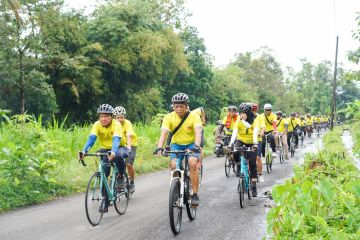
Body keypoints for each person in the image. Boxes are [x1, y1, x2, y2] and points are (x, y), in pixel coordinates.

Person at [155, 93, 202, 206]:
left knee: (192, 163)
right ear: (173, 106)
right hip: (176, 144)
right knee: (173, 165)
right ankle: (176, 187)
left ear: (186, 106)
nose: (179, 109)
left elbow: (198, 132)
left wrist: (196, 146)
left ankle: (194, 194)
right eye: (176, 106)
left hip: (191, 144)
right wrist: (159, 147)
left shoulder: (194, 116)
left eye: (181, 106)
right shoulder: (169, 117)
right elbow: (164, 133)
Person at [79, 104, 126, 213]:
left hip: (119, 147)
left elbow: (116, 140)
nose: (103, 119)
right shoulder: (97, 125)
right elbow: (92, 139)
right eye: (101, 116)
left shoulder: (116, 124)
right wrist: (84, 151)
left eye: (106, 116)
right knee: (104, 173)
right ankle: (105, 200)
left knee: (118, 156)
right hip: (105, 149)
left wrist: (114, 151)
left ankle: (120, 175)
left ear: (112, 117)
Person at [229, 103, 259, 197]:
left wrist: (255, 144)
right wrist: (231, 143)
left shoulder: (254, 121)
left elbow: (255, 133)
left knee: (253, 164)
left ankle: (254, 186)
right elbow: (234, 133)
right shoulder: (239, 121)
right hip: (241, 140)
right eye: (240, 113)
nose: (241, 115)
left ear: (248, 113)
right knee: (235, 151)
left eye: (244, 113)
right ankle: (238, 166)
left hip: (251, 142)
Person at [114, 106, 138, 193]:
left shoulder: (127, 123)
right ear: (114, 117)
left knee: (128, 164)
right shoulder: (113, 124)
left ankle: (131, 182)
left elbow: (128, 135)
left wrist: (128, 148)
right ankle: (119, 176)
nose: (120, 119)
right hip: (119, 145)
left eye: (121, 117)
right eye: (118, 117)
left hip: (131, 144)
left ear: (124, 117)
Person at [252, 103, 265, 183]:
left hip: (257, 139)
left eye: (254, 109)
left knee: (257, 158)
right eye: (251, 109)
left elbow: (263, 127)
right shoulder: (245, 117)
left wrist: (262, 132)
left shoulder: (260, 117)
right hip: (248, 140)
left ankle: (260, 174)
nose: (253, 111)